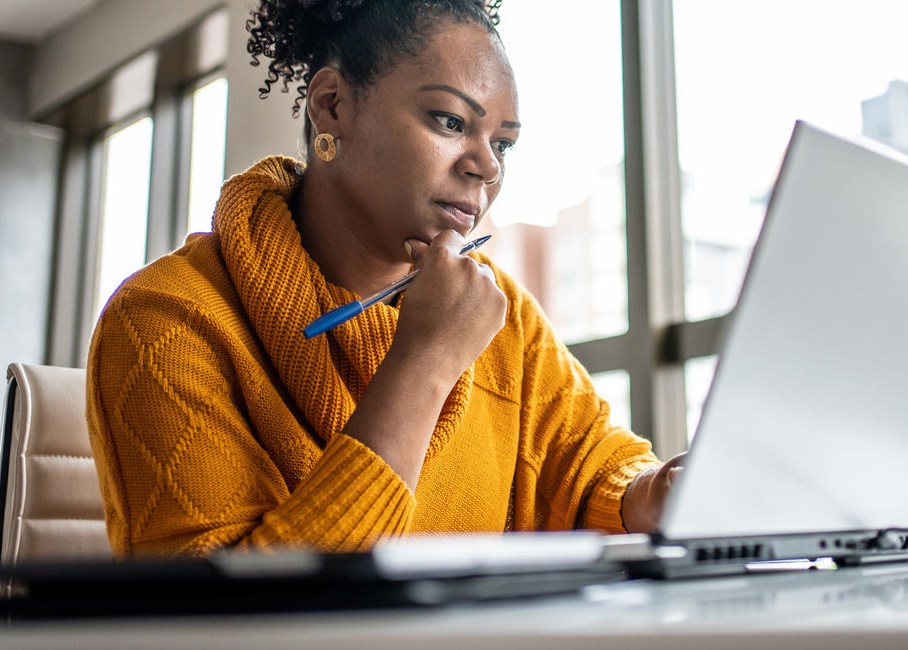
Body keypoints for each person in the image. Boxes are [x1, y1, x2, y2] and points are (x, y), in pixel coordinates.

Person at [85, 0, 681, 556]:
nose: (488, 165)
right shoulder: (164, 319)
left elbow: (589, 468)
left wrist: (651, 493)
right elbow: (227, 624)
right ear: (332, 106)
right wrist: (425, 363)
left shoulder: (501, 313)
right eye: (450, 120)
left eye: (503, 143)